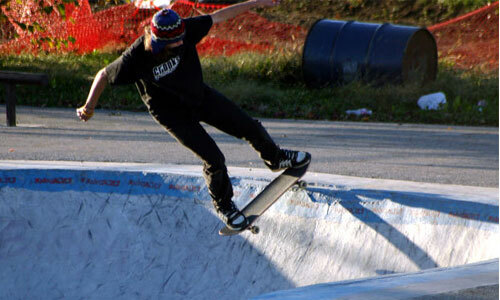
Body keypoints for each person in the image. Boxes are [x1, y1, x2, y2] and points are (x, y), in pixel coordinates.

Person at [76, 0, 310, 230]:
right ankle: (224, 205)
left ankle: (275, 158)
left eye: (182, 40)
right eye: (175, 43)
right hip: (172, 116)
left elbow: (219, 16)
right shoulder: (135, 57)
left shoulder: (186, 29)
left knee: (249, 126)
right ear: (159, 42)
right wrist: (89, 107)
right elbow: (103, 74)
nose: (181, 44)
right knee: (214, 158)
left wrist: (254, 2)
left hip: (198, 96)